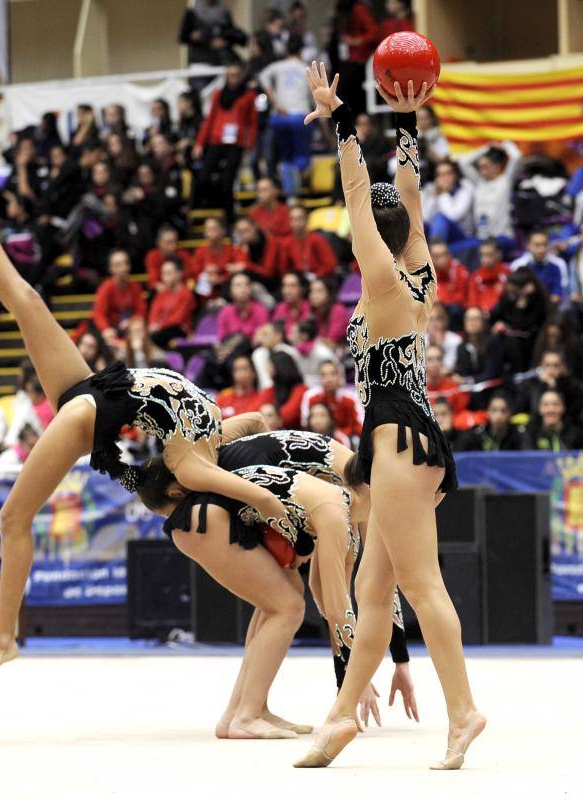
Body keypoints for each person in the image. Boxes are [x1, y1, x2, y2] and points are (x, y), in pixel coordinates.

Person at [0, 143, 299, 687]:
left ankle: (3, 638)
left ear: (176, 488)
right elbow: (259, 427)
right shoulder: (208, 445)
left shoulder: (197, 462)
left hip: (94, 410)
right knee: (25, 299)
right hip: (97, 390)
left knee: (13, 518)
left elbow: (258, 456)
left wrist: (268, 500)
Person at [295, 64, 484, 769]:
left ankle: (463, 713)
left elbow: (358, 195)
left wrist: (342, 121)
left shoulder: (379, 281)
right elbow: (404, 194)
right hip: (403, 439)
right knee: (370, 592)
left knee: (420, 586)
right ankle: (342, 714)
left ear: (370, 236)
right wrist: (404, 122)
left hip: (397, 438)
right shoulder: (417, 272)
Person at [137, 432, 415, 718]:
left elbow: (371, 589)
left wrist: (397, 662)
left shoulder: (348, 491)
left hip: (235, 503)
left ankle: (247, 710)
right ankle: (247, 715)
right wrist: (355, 681)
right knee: (286, 607)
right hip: (211, 515)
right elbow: (335, 600)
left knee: (283, 598)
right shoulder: (341, 508)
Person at [193, 61, 257, 220]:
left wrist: (248, 146)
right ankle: (204, 206)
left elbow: (253, 123)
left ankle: (229, 216)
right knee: (203, 176)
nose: (233, 79)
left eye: (236, 76)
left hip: (236, 143)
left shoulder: (249, 96)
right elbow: (210, 120)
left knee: (228, 180)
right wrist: (199, 143)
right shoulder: (218, 94)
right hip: (217, 140)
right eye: (230, 76)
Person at [259, 36, 313, 197]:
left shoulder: (277, 66)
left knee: (286, 156)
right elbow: (314, 96)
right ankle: (293, 191)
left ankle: (288, 189)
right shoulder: (306, 68)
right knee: (301, 156)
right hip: (300, 117)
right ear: (301, 52)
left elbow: (262, 77)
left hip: (280, 118)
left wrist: (275, 102)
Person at [458, 139, 522, 246]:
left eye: (485, 167)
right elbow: (463, 162)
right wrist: (487, 148)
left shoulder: (505, 181)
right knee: (454, 249)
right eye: (480, 167)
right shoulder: (479, 183)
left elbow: (517, 157)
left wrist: (504, 144)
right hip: (482, 239)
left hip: (503, 237)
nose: (482, 171)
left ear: (497, 166)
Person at [91, 249, 147, 344]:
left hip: (130, 327)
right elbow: (98, 313)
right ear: (111, 269)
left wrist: (132, 322)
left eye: (126, 263)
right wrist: (106, 329)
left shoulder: (135, 286)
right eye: (118, 265)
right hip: (111, 328)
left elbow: (141, 310)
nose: (123, 268)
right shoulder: (106, 288)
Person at [300, 360, 362, 440]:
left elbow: (359, 426)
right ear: (319, 378)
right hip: (316, 437)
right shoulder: (310, 397)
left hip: (347, 439)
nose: (329, 379)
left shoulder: (351, 398)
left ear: (340, 376)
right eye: (323, 375)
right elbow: (305, 424)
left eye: (333, 374)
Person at [147, 257, 197, 348]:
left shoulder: (186, 294)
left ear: (179, 274)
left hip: (179, 329)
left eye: (169, 273)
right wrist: (153, 324)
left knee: (157, 337)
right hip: (161, 330)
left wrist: (159, 326)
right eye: (163, 273)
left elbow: (178, 318)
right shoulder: (161, 294)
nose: (165, 277)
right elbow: (154, 313)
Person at [422, 160, 474, 246]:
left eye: (447, 174)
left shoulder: (465, 188)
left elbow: (453, 216)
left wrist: (443, 193)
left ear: (455, 175)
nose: (444, 178)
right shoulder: (434, 190)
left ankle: (436, 252)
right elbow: (425, 218)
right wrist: (434, 197)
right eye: (440, 175)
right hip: (438, 235)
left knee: (440, 218)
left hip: (461, 236)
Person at [510, 230, 569, 304]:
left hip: (551, 306)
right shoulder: (517, 265)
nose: (541, 249)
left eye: (544, 245)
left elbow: (560, 292)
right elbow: (513, 292)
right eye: (537, 245)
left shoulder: (558, 264)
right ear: (528, 246)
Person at [279, 206, 338, 278]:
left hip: (321, 277)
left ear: (306, 220)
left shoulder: (318, 239)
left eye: (300, 219)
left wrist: (316, 275)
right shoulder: (286, 243)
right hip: (299, 280)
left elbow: (331, 265)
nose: (296, 223)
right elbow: (284, 269)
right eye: (293, 219)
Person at [259, 351, 308, 428]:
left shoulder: (301, 389)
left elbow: (289, 415)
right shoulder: (270, 390)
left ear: (279, 367)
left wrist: (270, 417)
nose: (267, 370)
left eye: (270, 366)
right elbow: (258, 413)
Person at [217, 273, 269, 342]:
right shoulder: (225, 312)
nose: (243, 289)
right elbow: (222, 338)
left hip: (253, 349)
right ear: (230, 290)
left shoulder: (260, 311)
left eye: (246, 285)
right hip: (231, 349)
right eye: (238, 285)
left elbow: (262, 338)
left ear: (250, 289)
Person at [429, 239, 469, 327]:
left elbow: (461, 299)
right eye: (437, 256)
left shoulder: (460, 271)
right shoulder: (425, 273)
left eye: (445, 254)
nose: (443, 259)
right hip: (433, 312)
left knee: (454, 309)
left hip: (454, 313)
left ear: (450, 255)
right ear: (430, 257)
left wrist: (441, 300)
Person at [216, 355, 266, 419]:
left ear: (254, 373)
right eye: (236, 369)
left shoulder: (261, 398)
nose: (240, 373)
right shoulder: (223, 397)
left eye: (245, 369)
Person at [466, 239, 510, 313]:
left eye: (489, 255)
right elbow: (472, 302)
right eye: (481, 255)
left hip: (501, 315)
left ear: (498, 254)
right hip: (481, 316)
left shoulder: (507, 273)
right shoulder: (475, 276)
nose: (484, 259)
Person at [144, 225, 193, 290]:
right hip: (162, 292)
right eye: (169, 242)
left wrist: (186, 288)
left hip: (183, 291)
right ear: (159, 243)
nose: (173, 246)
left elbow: (191, 277)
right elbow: (154, 281)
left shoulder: (184, 254)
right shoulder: (152, 256)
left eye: (175, 241)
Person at [426, 343, 469, 415]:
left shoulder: (453, 387)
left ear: (442, 362)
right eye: (430, 359)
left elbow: (460, 412)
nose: (435, 363)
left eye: (438, 359)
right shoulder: (416, 388)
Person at [308, 277, 349, 346]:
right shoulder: (312, 311)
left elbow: (332, 343)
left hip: (340, 352)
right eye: (312, 291)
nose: (313, 295)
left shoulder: (338, 310)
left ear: (329, 293)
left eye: (319, 291)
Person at [272, 270, 311, 339]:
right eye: (285, 286)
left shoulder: (311, 308)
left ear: (302, 288)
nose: (287, 291)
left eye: (293, 286)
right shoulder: (280, 308)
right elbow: (275, 333)